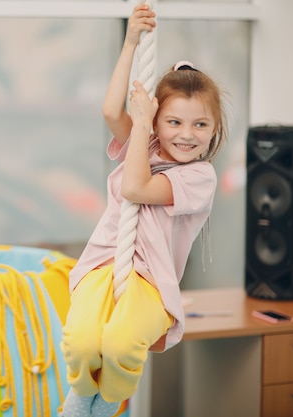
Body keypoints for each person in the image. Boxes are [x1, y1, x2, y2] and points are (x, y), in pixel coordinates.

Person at [59, 4, 229, 417]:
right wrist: (131, 41)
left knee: (120, 343)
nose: (186, 135)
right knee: (80, 341)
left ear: (214, 130)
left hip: (151, 281)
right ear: (158, 122)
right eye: (172, 122)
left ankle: (109, 404)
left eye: (200, 125)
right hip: (103, 262)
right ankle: (82, 398)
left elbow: (136, 186)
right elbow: (109, 111)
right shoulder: (148, 143)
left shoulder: (199, 178)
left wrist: (142, 125)